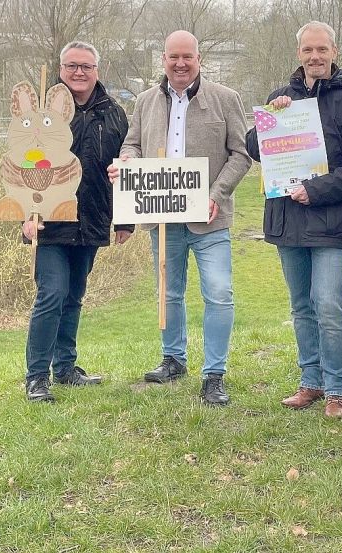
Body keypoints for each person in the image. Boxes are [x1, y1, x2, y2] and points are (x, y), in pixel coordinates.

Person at [109, 30, 252, 406]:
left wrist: (215, 195)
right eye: (174, 56)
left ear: (199, 59)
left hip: (210, 220)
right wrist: (128, 163)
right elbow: (132, 144)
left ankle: (214, 374)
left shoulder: (226, 99)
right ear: (163, 60)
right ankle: (173, 359)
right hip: (163, 217)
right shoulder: (144, 101)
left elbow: (241, 154)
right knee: (169, 292)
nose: (180, 63)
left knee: (219, 293)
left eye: (187, 56)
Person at [245, 21, 342, 418]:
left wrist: (316, 190)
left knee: (329, 304)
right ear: (299, 53)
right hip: (287, 220)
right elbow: (256, 147)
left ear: (334, 52)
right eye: (308, 50)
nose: (315, 57)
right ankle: (311, 382)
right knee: (301, 305)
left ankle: (337, 387)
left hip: (331, 221)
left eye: (322, 50)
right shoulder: (279, 98)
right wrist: (270, 116)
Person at [24, 41, 132, 402]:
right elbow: (22, 167)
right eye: (72, 66)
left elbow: (125, 169)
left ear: (97, 70)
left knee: (74, 296)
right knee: (51, 294)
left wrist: (125, 220)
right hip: (50, 222)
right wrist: (26, 214)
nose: (79, 72)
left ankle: (66, 368)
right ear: (60, 68)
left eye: (86, 66)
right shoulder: (41, 114)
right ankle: (37, 376)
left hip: (93, 218)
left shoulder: (115, 114)